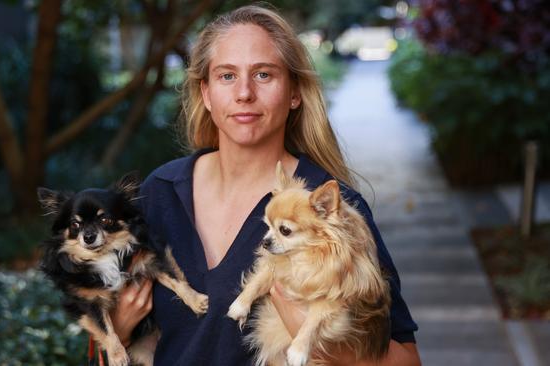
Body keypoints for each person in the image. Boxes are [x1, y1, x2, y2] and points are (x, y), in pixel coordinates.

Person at [110, 4, 420, 365]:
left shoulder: (331, 211)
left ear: (294, 93)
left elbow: (406, 359)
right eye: (226, 76)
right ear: (206, 93)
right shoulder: (160, 192)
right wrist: (117, 328)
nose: (244, 93)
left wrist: (318, 337)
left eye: (263, 75)